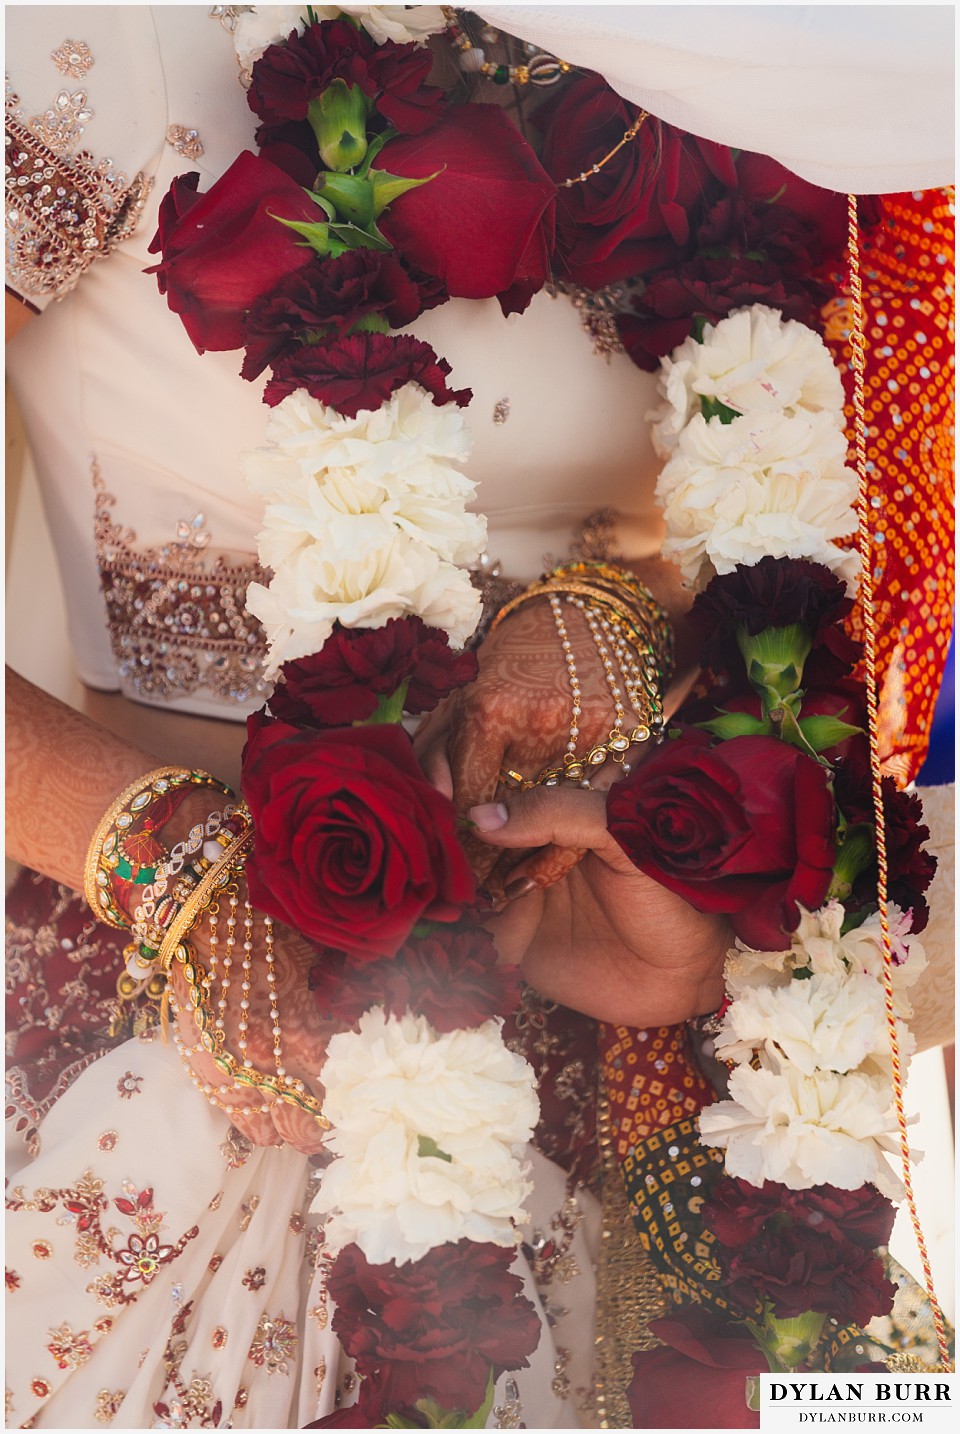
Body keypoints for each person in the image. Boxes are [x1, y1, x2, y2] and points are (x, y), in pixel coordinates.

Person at [5, 5, 955, 1428]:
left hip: (681, 1038)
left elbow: (862, 573)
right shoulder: (98, 39)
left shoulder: (829, 53)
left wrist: (625, 621)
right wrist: (174, 868)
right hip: (187, 1028)